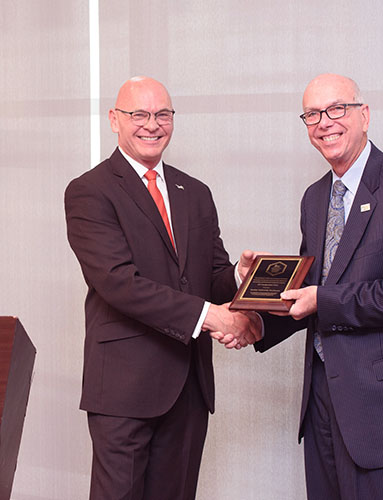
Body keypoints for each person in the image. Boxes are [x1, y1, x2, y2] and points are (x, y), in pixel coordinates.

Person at [252, 73, 383, 500]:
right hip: (325, 396)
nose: (324, 122)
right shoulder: (314, 197)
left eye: (336, 109)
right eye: (312, 114)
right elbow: (312, 285)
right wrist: (254, 317)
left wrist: (321, 299)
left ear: (364, 115)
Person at [65, 76, 260, 500]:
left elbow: (209, 277)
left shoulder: (196, 193)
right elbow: (120, 283)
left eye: (163, 114)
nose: (152, 125)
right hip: (124, 392)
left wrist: (242, 279)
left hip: (188, 388)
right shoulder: (89, 192)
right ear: (114, 120)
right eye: (139, 114)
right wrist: (211, 316)